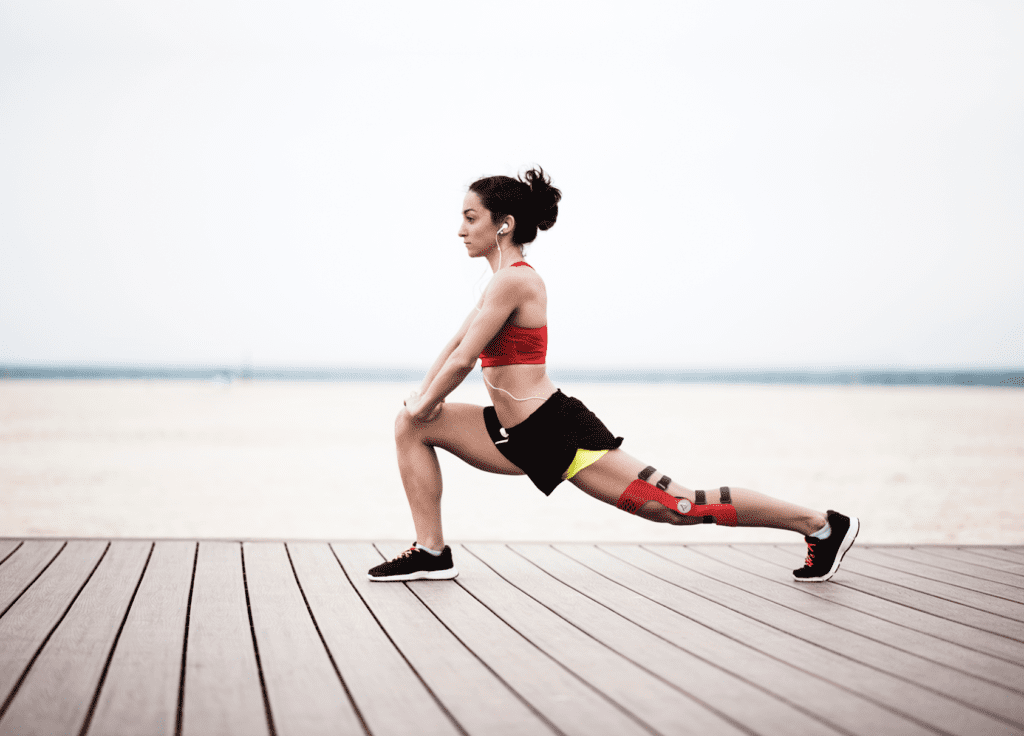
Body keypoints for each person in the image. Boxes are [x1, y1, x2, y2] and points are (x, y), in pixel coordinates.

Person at [368, 168, 858, 583]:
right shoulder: (498, 282)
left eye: (470, 218)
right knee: (411, 425)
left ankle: (820, 524)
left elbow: (462, 362)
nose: (460, 229)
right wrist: (422, 402)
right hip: (511, 430)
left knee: (678, 507)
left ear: (504, 224)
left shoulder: (517, 280)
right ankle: (432, 553)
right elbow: (452, 346)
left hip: (556, 431)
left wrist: (428, 397)